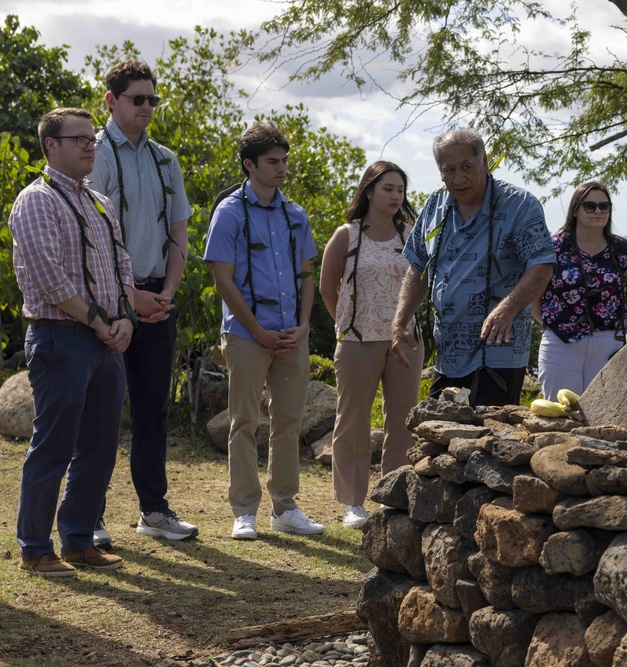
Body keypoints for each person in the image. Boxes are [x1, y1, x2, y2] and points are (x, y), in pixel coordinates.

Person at [10, 107, 136, 576]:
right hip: (60, 338)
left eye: (93, 140)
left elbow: (123, 269)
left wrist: (123, 319)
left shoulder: (99, 201)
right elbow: (49, 278)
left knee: (100, 445)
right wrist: (104, 323)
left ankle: (79, 540)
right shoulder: (35, 200)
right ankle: (35, 548)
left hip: (105, 341)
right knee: (54, 444)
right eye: (80, 139)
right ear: (52, 145)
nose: (90, 147)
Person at [90, 59, 197, 546]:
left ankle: (153, 511)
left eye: (153, 99)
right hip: (109, 296)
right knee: (101, 410)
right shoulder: (94, 153)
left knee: (153, 408)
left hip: (157, 295)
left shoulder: (166, 158)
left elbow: (179, 229)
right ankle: (88, 516)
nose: (148, 107)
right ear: (111, 100)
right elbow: (91, 234)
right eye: (138, 99)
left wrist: (166, 294)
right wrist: (129, 296)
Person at [204, 121, 325, 540]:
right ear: (249, 165)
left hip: (292, 334)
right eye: (272, 162)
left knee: (288, 422)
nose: (281, 169)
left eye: (284, 161)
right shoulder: (229, 212)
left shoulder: (295, 214)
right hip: (244, 334)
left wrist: (304, 325)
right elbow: (223, 279)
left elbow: (308, 275)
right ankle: (244, 511)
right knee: (243, 421)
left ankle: (285, 508)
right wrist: (257, 330)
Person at [391, 129, 555, 407]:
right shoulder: (434, 206)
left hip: (498, 355)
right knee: (439, 440)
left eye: (466, 167)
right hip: (448, 358)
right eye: (449, 170)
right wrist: (400, 321)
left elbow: (542, 265)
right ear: (440, 173)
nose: (458, 178)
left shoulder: (520, 205)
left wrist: (508, 308)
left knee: (488, 442)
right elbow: (417, 267)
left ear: (485, 162)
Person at [319, 162, 423, 529]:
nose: (396, 196)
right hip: (356, 341)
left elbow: (422, 284)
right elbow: (327, 286)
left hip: (404, 342)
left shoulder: (412, 235)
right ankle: (352, 503)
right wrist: (348, 324)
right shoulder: (347, 235)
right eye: (388, 189)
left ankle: (393, 496)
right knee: (353, 421)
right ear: (369, 191)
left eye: (400, 190)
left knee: (403, 421)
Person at [533, 182, 627, 399]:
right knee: (560, 411)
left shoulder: (622, 251)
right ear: (575, 209)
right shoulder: (554, 247)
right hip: (559, 343)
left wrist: (611, 332)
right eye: (590, 206)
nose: (598, 212)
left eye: (604, 206)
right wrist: (551, 327)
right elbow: (533, 299)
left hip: (607, 344)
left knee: (605, 410)